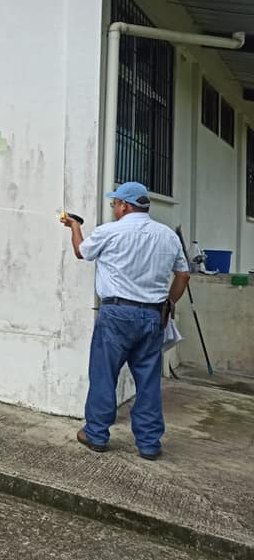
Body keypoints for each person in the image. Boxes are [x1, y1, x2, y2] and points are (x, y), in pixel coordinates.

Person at [61, 181, 190, 460]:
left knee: (104, 374)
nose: (114, 208)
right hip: (153, 315)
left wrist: (74, 226)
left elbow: (81, 251)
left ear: (124, 206)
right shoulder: (167, 235)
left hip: (116, 314)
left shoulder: (110, 231)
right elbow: (183, 275)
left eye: (115, 204)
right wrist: (170, 303)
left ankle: (96, 434)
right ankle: (149, 443)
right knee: (148, 381)